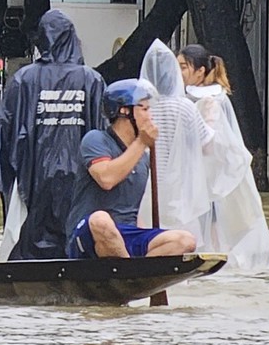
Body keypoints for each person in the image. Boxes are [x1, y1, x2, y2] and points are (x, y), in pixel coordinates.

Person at [0, 10, 108, 260]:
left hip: (34, 175)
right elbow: (104, 130)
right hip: (81, 174)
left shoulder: (25, 79)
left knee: (27, 240)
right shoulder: (92, 80)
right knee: (76, 237)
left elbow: (4, 126)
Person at [65, 80, 197, 259]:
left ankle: (135, 275)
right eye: (144, 109)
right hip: (91, 233)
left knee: (184, 240)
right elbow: (106, 179)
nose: (150, 116)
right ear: (124, 111)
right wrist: (142, 142)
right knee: (101, 219)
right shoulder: (96, 140)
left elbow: (130, 209)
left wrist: (147, 234)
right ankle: (131, 274)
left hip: (126, 234)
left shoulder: (141, 156)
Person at [174, 43, 269, 271]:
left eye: (183, 67)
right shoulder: (192, 98)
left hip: (212, 180)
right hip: (202, 178)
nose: (178, 72)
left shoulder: (209, 100)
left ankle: (211, 269)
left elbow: (211, 145)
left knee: (212, 229)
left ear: (200, 71)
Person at [137, 41, 214, 240]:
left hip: (146, 193)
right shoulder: (186, 108)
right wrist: (210, 121)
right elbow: (208, 147)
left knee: (150, 243)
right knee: (184, 244)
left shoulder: (140, 108)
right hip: (181, 197)